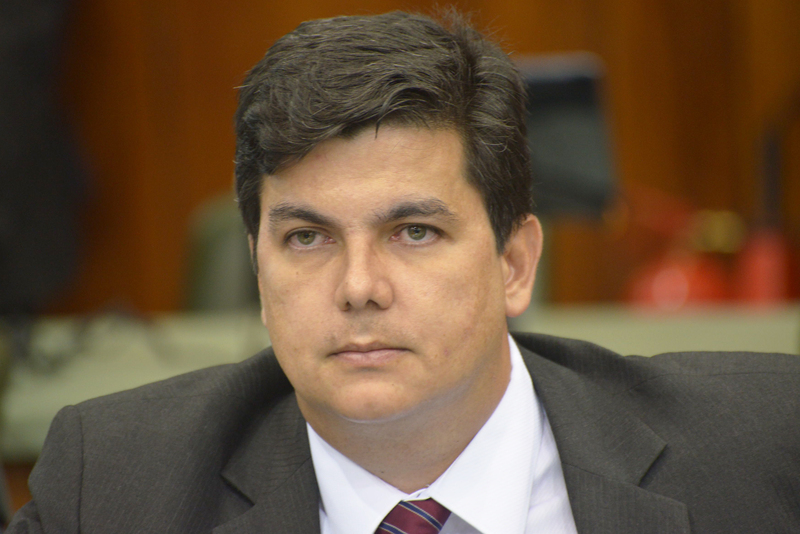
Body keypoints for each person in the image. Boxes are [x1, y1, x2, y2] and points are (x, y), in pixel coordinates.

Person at [8, 10, 800, 534]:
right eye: (308, 238)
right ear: (258, 270)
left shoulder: (763, 448)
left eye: (414, 232)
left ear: (515, 262)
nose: (359, 286)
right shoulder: (112, 486)